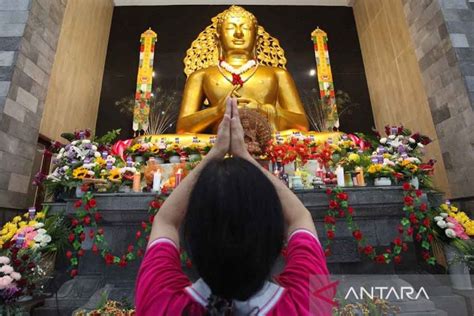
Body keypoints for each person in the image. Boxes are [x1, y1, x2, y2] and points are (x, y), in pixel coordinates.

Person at [135, 98, 333, 315]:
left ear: (189, 240)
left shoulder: (160, 305)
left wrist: (216, 151)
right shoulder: (311, 305)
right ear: (277, 240)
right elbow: (300, 217)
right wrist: (244, 153)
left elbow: (165, 220)